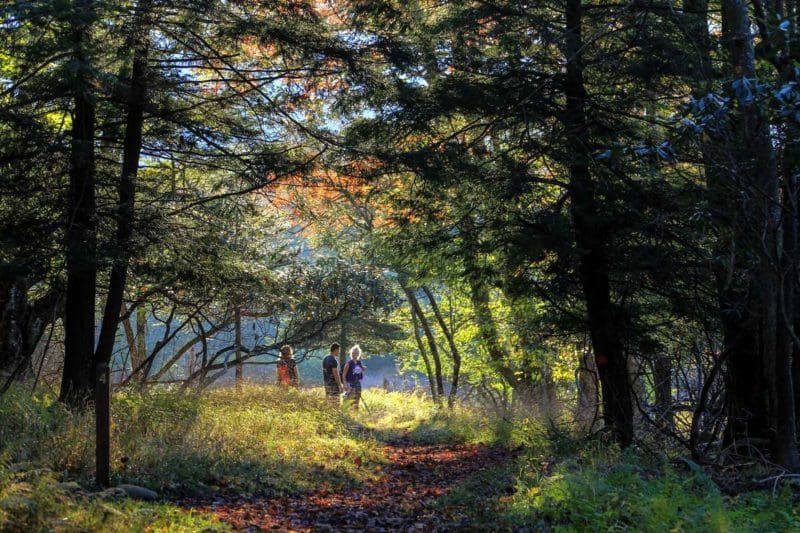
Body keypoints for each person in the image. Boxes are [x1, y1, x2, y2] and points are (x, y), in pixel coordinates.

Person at [342, 344, 365, 410]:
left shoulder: (359, 363)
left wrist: (363, 368)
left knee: (357, 400)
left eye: (355, 353)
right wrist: (345, 384)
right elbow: (344, 374)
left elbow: (359, 371)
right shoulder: (348, 363)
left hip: (358, 383)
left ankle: (355, 415)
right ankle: (347, 415)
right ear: (351, 353)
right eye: (353, 353)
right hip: (350, 384)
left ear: (358, 354)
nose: (354, 354)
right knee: (350, 400)